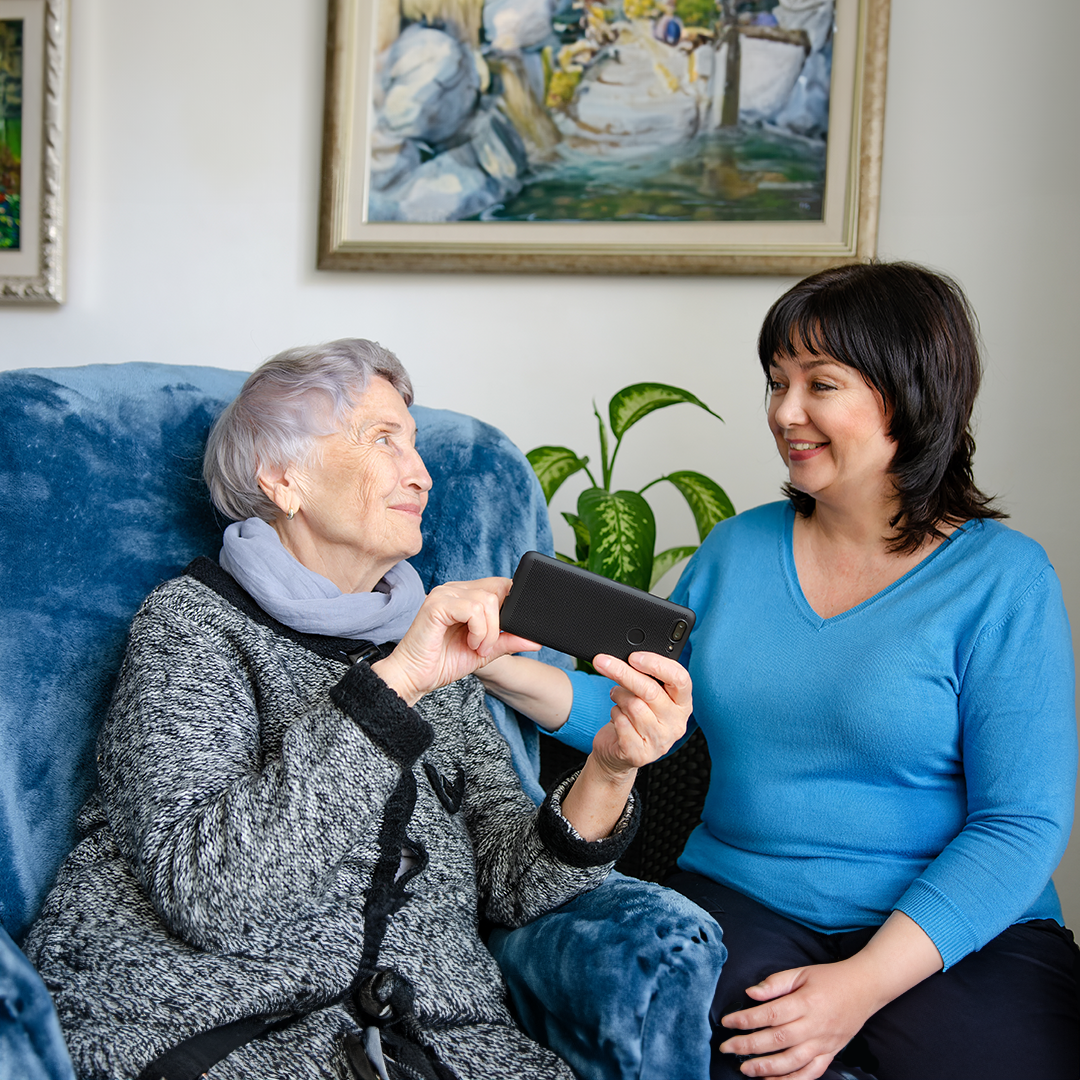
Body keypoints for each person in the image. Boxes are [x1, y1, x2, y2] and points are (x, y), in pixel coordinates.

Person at [22, 339, 693, 1080]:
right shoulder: (191, 627)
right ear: (282, 480)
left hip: (433, 1038)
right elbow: (213, 894)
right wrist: (397, 681)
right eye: (384, 440)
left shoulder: (436, 645)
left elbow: (510, 881)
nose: (423, 474)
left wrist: (610, 766)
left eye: (415, 445)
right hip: (209, 1021)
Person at [478, 262, 1080, 1079]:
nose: (784, 414)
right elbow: (647, 708)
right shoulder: (737, 549)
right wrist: (498, 667)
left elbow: (1022, 824)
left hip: (956, 934)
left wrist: (858, 987)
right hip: (745, 904)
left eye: (819, 384)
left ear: (910, 395)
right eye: (775, 383)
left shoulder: (1005, 579)